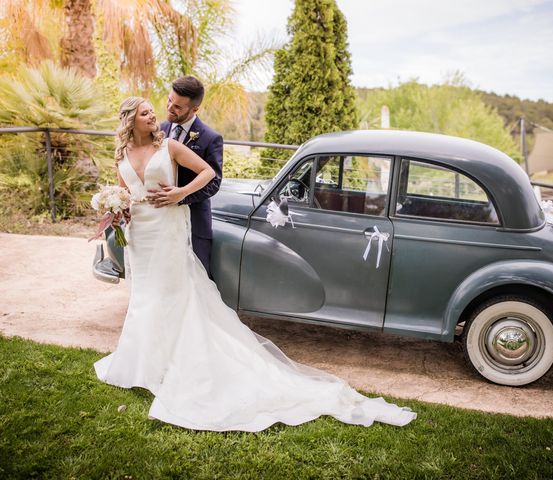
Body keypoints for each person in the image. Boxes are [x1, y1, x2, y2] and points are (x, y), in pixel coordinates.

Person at [94, 96, 416, 432]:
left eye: (151, 111)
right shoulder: (122, 154)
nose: (153, 116)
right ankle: (144, 364)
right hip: (140, 232)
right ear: (131, 120)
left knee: (173, 292)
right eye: (145, 113)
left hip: (168, 228)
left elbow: (207, 172)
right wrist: (116, 209)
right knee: (145, 295)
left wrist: (179, 193)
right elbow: (126, 192)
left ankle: (179, 361)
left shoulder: (171, 146)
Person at [148, 76, 223, 279]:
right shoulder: (157, 131)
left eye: (178, 106)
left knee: (196, 277)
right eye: (170, 100)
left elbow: (214, 182)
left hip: (194, 219)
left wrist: (181, 196)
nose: (171, 107)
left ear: (195, 109)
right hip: (161, 219)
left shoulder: (210, 138)